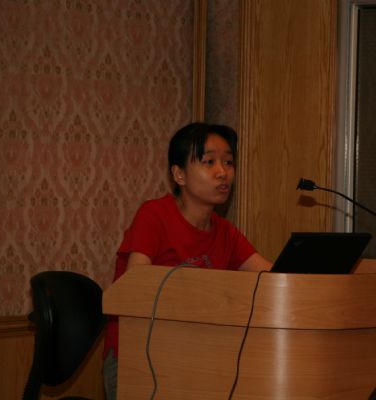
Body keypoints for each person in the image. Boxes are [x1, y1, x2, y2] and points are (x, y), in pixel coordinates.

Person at [102, 122, 272, 399]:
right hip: (138, 355)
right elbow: (137, 285)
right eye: (209, 162)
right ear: (179, 174)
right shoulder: (154, 216)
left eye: (228, 162)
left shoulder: (225, 231)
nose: (223, 172)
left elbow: (272, 276)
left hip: (197, 355)